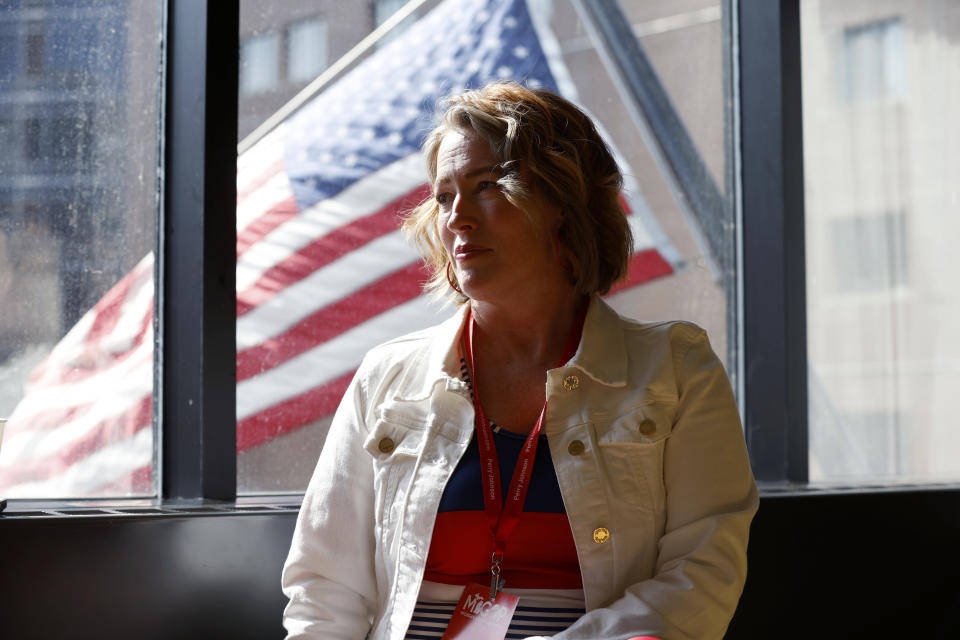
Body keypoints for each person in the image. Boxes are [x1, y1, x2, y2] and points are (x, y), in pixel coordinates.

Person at [282, 82, 758, 640]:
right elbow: (324, 590)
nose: (456, 218)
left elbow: (702, 577)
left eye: (485, 187)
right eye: (443, 196)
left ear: (563, 200)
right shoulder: (387, 377)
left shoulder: (676, 369)